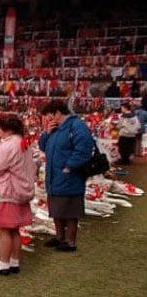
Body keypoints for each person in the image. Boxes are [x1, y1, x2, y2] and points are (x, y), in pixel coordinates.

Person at [0, 113, 37, 274]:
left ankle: (4, 264)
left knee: (4, 229)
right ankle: (14, 262)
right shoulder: (23, 142)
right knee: (15, 229)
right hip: (21, 189)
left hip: (8, 191)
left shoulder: (9, 145)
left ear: (5, 129)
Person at [39, 100, 93, 252]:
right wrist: (46, 133)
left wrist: (70, 166)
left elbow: (84, 148)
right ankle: (59, 238)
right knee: (57, 209)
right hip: (54, 174)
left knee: (70, 210)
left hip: (69, 175)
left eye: (50, 115)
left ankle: (70, 242)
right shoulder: (56, 128)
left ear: (57, 113)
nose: (48, 119)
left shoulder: (76, 126)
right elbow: (43, 146)